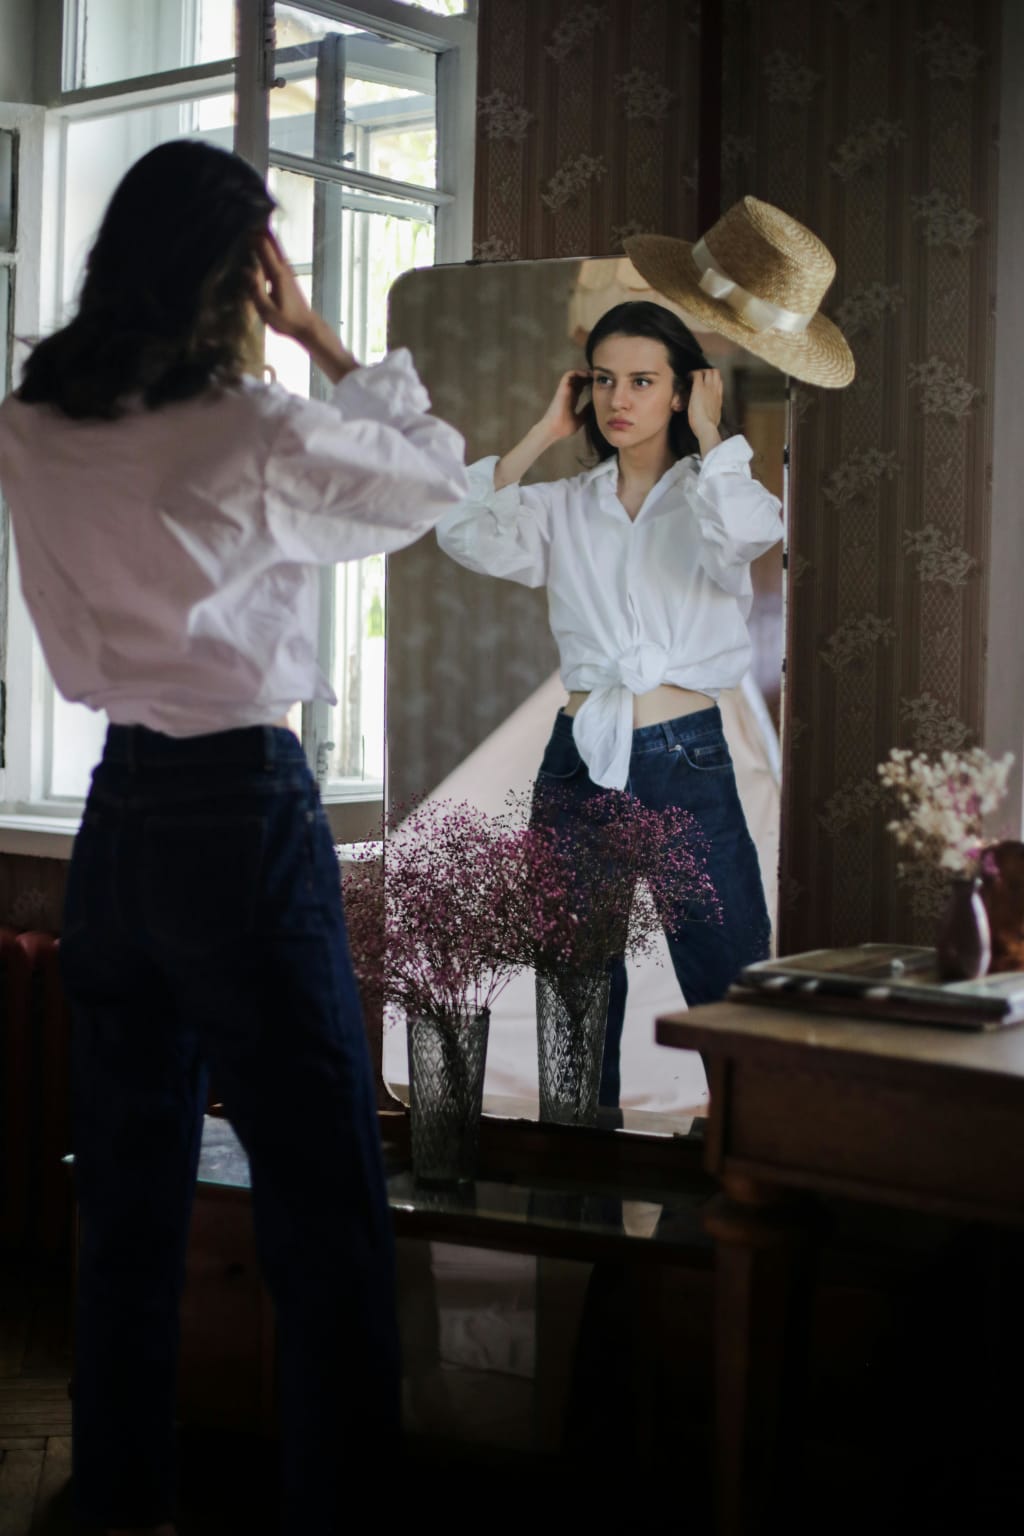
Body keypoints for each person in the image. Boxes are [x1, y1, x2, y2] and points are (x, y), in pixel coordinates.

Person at [0, 139, 469, 1535]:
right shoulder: (250, 426)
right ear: (243, 273)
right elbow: (431, 482)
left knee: (127, 1199)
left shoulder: (31, 422)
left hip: (119, 819)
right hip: (244, 814)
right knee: (323, 1199)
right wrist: (322, 336)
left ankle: (120, 1502)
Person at [436, 299, 782, 1107]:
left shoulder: (713, 495)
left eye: (642, 381)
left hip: (685, 753)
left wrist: (711, 432)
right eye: (602, 380)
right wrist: (543, 433)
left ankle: (748, 1150)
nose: (618, 399)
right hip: (576, 762)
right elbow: (463, 527)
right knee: (574, 985)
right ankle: (578, 1163)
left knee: (725, 965)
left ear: (682, 389)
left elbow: (748, 532)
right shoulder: (564, 503)